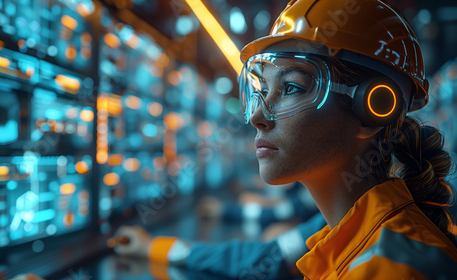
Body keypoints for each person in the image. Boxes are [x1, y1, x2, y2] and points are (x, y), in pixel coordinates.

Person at [112, 0, 457, 279]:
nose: (258, 117)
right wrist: (156, 248)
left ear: (374, 106)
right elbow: (270, 257)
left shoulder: (388, 270)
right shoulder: (341, 230)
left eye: (291, 87)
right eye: (262, 90)